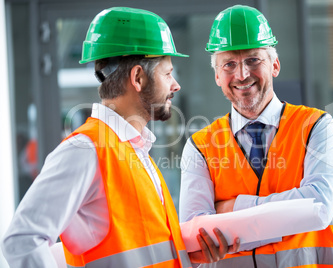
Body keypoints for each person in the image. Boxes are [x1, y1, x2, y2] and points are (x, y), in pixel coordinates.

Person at [1, 7, 239, 268]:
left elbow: (142, 248)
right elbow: (22, 240)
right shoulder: (85, 150)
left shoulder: (134, 150)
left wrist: (186, 254)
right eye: (168, 73)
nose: (175, 85)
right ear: (138, 77)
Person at [179, 5, 333, 268]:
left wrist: (232, 210)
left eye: (253, 60)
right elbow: (195, 235)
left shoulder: (316, 127)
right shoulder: (199, 147)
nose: (242, 74)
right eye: (229, 64)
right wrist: (288, 214)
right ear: (217, 76)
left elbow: (317, 208)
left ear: (275, 65)